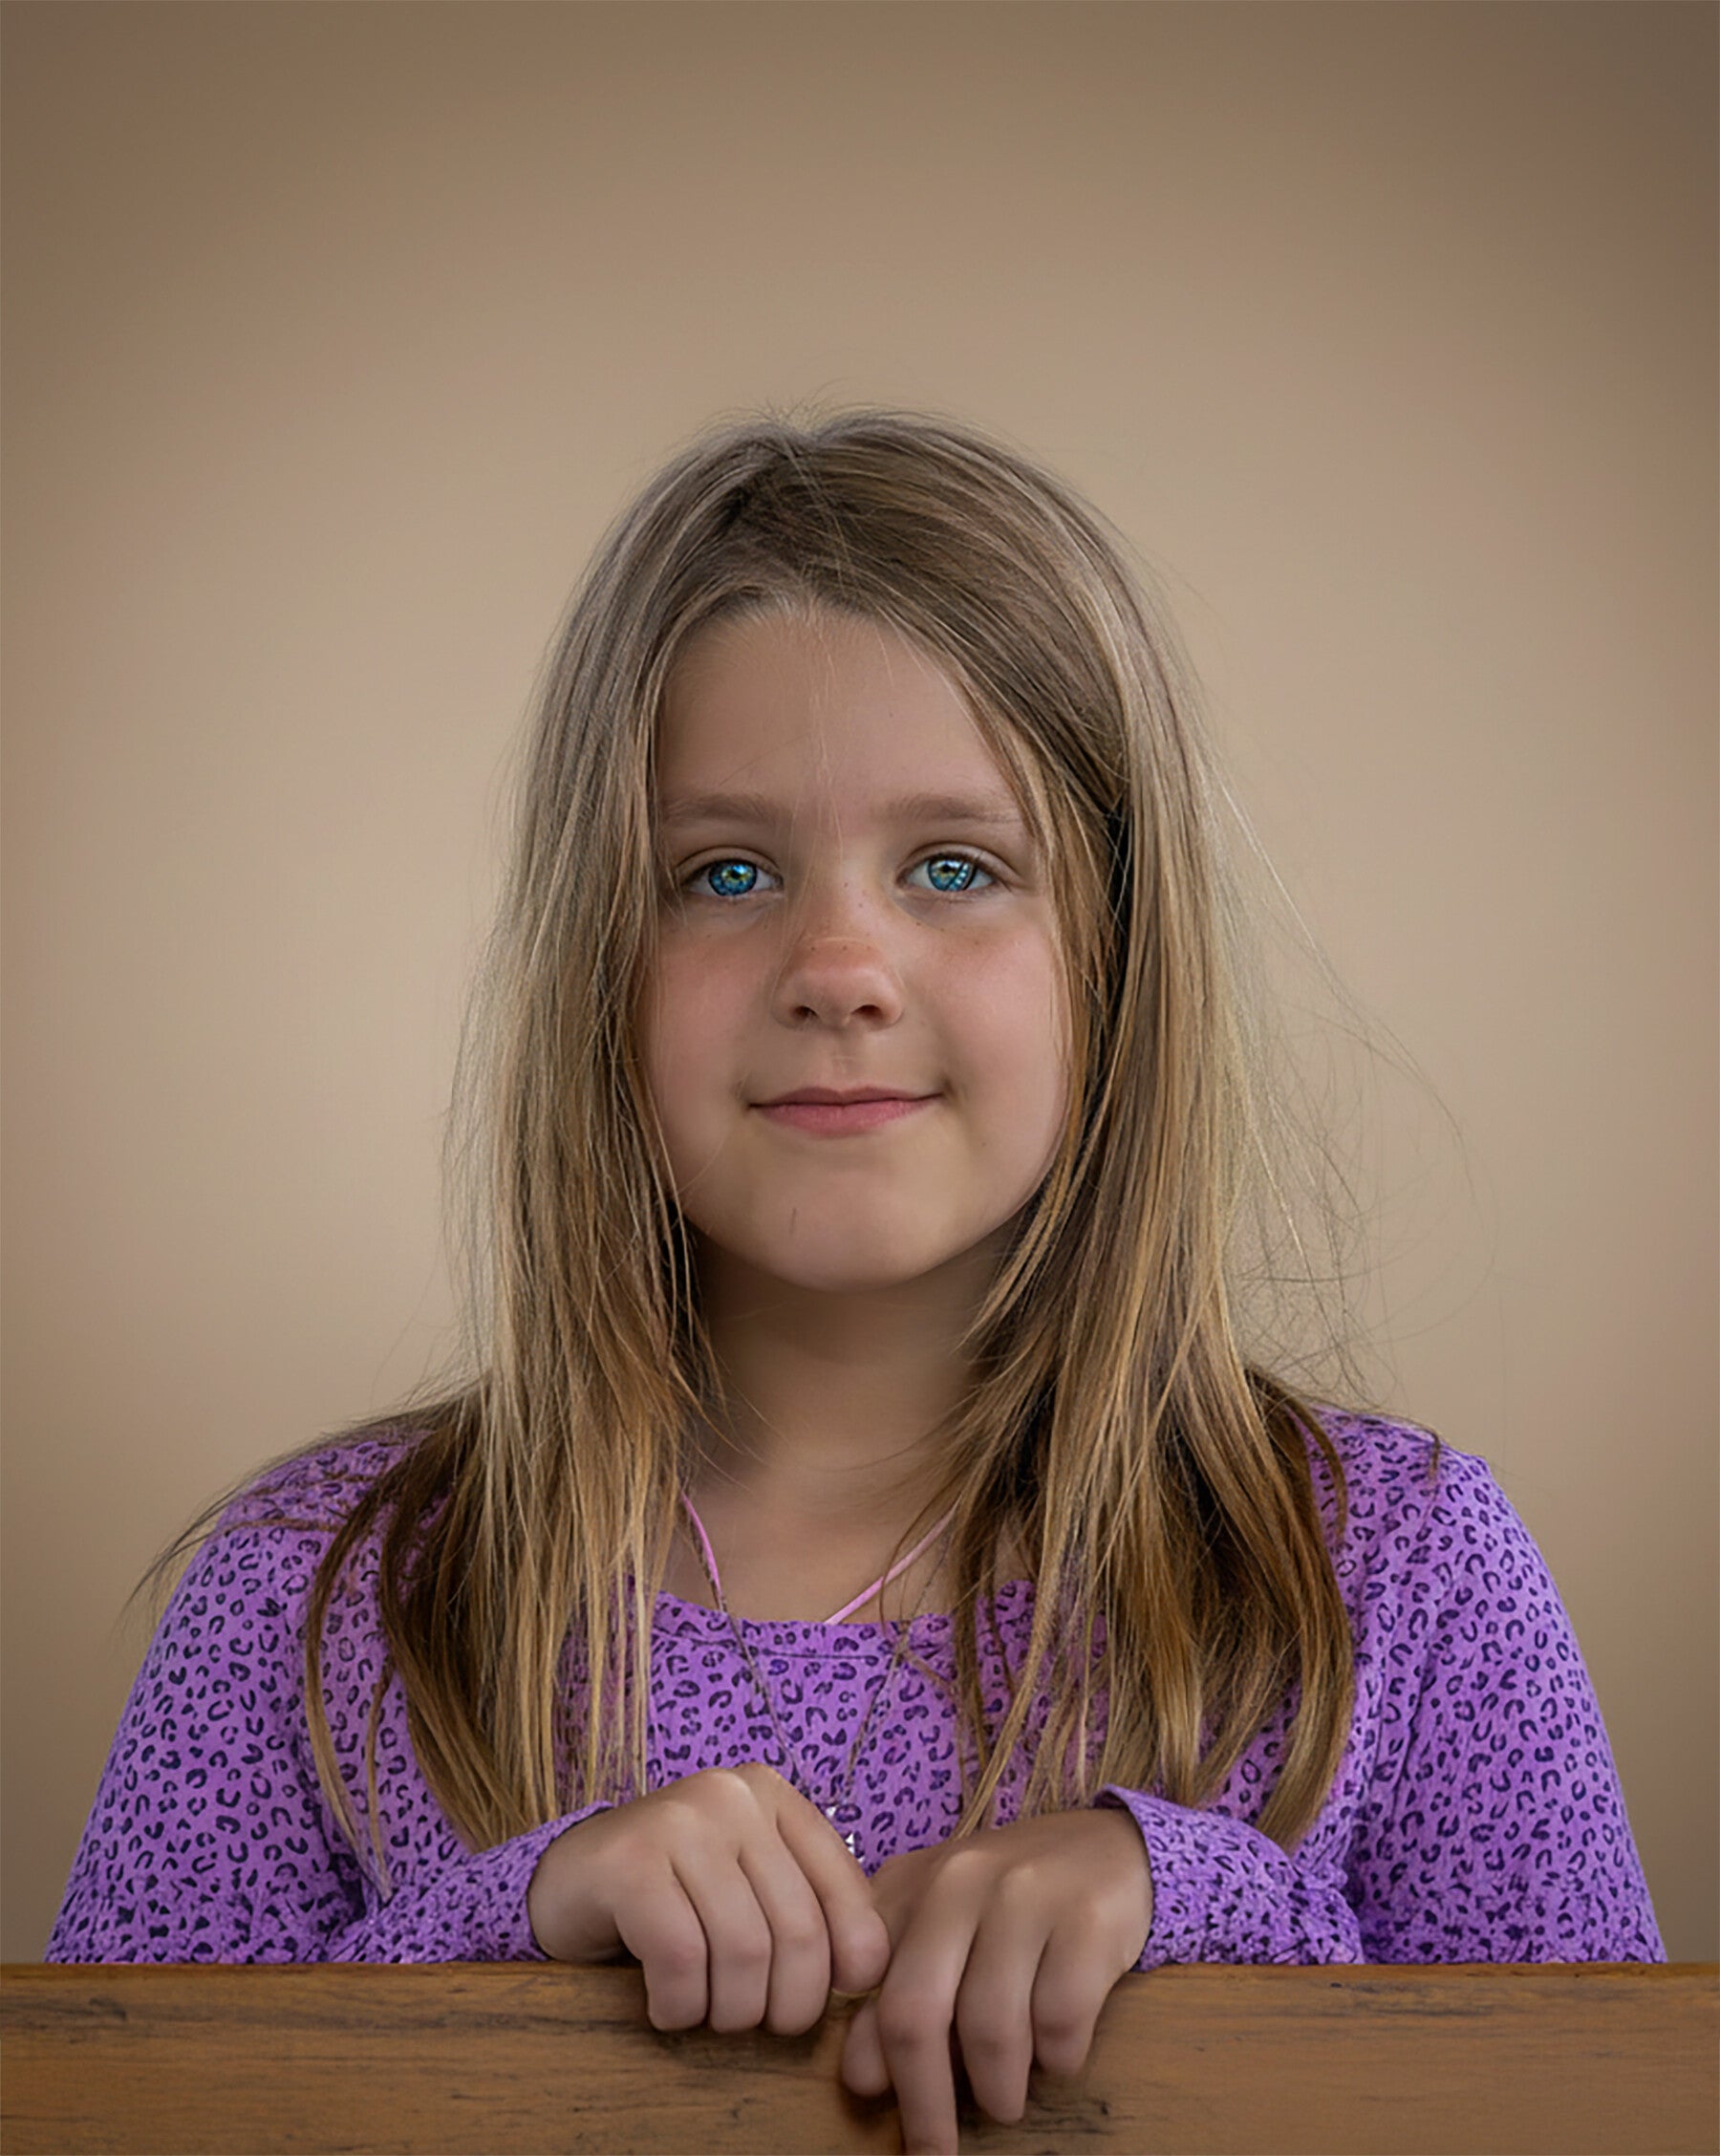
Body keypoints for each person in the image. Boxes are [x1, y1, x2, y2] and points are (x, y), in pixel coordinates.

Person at [48, 409, 1663, 2156]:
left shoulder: (1402, 1582)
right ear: (601, 966)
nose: (838, 966)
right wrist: (509, 1933)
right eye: (724, 872)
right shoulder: (314, 1602)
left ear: (1119, 960)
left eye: (955, 867)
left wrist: (1211, 1909)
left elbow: (1590, 2116)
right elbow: (119, 2118)